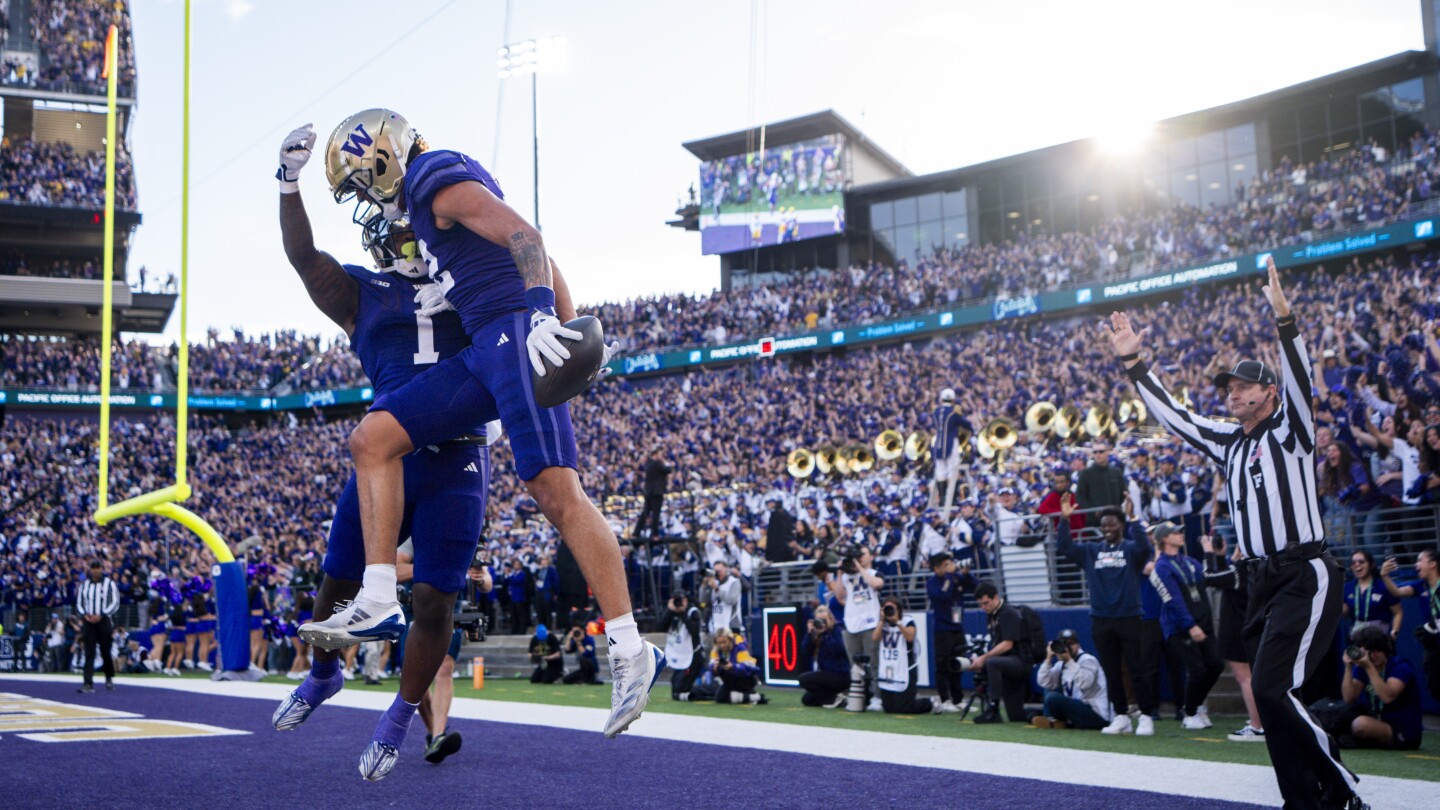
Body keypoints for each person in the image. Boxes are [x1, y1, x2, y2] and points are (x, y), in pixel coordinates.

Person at [310, 109, 659, 740]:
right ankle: (380, 593)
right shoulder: (421, 203)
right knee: (373, 439)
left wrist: (546, 317)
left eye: (362, 182)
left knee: (556, 492)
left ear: (382, 158)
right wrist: (571, 324)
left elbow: (527, 237)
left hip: (513, 335)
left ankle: (633, 649)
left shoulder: (430, 178)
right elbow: (532, 251)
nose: (365, 199)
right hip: (485, 349)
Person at [269, 125, 495, 782]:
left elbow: (495, 235)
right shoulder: (362, 293)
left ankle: (400, 720)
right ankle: (322, 674)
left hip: (457, 456)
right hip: (387, 460)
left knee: (434, 604)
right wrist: (288, 184)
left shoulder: (467, 276)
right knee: (336, 583)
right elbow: (304, 256)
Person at [1105, 256, 1364, 810]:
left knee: (1274, 689)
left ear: (1267, 393)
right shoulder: (1230, 440)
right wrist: (1134, 361)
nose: (1232, 393)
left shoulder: (1291, 428)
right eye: (1229, 388)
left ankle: (1341, 795)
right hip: (1260, 580)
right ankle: (1304, 801)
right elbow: (1176, 416)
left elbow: (1298, 379)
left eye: (1244, 387)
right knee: (1270, 702)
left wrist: (1285, 320)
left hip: (1305, 571)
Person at [1055, 500, 1155, 735]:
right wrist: (1065, 520)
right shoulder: (1091, 551)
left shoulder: (1130, 548)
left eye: (1112, 524)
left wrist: (1134, 520)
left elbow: (1145, 550)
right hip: (1101, 619)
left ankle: (1146, 716)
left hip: (1130, 617)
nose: (1107, 528)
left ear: (1120, 525)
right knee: (1111, 670)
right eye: (1103, 525)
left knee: (1137, 669)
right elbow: (1064, 547)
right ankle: (1120, 715)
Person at [1151, 522, 1223, 730]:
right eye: (1175, 532)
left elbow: (1209, 577)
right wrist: (1190, 625)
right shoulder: (1162, 566)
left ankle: (1195, 705)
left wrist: (1217, 555)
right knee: (1197, 669)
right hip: (1179, 626)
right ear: (1164, 538)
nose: (1181, 534)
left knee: (1216, 665)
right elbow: (1173, 599)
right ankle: (1190, 713)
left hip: (1201, 621)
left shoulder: (1188, 560)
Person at [1200, 531, 1266, 743]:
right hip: (1249, 626)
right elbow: (1223, 577)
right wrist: (1220, 556)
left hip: (1238, 628)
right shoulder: (1257, 568)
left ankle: (1257, 726)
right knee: (1250, 676)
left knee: (1244, 677)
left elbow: (1209, 577)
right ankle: (1259, 722)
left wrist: (1208, 553)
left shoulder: (1242, 571)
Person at [1338, 624, 1423, 751]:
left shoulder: (1400, 666)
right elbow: (1349, 698)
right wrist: (1349, 668)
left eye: (1377, 650)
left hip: (1404, 730)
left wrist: (1368, 667)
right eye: (1369, 652)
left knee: (1360, 724)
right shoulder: (1361, 668)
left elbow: (1387, 696)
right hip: (1379, 722)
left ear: (1385, 649)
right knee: (1339, 717)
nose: (1373, 656)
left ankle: (1365, 741)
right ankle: (1366, 740)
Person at [1378, 549, 1440, 703]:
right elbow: (1398, 592)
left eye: (1420, 560)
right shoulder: (1421, 585)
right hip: (1433, 642)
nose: (1416, 564)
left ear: (1432, 564)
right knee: (1435, 683)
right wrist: (1384, 575)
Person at [826, 547, 884, 711]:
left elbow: (877, 584)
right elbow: (839, 596)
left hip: (870, 622)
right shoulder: (845, 577)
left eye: (862, 555)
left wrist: (859, 567)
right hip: (852, 622)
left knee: (873, 661)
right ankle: (860, 695)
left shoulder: (873, 572)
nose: (858, 558)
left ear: (870, 557)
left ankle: (876, 696)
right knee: (855, 664)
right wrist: (839, 572)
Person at [968, 581, 1030, 724]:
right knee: (1016, 715)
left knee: (992, 662)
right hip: (1007, 662)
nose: (983, 607)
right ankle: (1040, 714)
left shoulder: (1007, 613)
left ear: (996, 597)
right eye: (981, 604)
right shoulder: (993, 614)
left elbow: (1008, 644)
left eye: (986, 603)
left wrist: (984, 657)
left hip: (1019, 661)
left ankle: (994, 709)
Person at [926, 551, 975, 713]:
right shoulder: (932, 582)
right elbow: (943, 595)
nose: (950, 567)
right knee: (943, 666)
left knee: (959, 664)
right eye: (945, 565)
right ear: (936, 568)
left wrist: (966, 574)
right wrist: (949, 576)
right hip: (942, 629)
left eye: (950, 563)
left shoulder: (956, 577)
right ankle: (945, 699)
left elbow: (976, 586)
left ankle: (958, 699)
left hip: (957, 627)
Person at [872, 597, 938, 715]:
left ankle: (930, 702)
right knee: (889, 708)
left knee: (904, 708)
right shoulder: (882, 624)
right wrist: (881, 621)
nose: (889, 611)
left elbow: (909, 637)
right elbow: (875, 638)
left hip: (905, 669)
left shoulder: (907, 621)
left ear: (899, 609)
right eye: (886, 608)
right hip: (888, 669)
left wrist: (898, 622)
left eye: (892, 608)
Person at [1034, 629, 1111, 730]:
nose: (1067, 648)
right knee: (1049, 686)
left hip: (1096, 714)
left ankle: (1053, 719)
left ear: (1078, 645)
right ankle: (1051, 719)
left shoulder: (1088, 660)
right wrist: (1048, 659)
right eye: (1064, 644)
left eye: (1071, 644)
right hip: (1076, 709)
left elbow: (1085, 683)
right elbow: (1043, 682)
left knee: (1053, 697)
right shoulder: (1061, 664)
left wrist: (1069, 661)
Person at [74, 560, 119, 693]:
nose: (95, 570)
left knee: (106, 651)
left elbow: (115, 602)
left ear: (101, 569)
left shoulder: (109, 583)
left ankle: (109, 677)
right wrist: (85, 615)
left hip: (104, 621)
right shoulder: (85, 585)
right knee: (89, 652)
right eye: (93, 568)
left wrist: (103, 614)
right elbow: (79, 603)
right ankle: (88, 683)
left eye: (97, 568)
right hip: (89, 622)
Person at [931, 388, 973, 520]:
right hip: (951, 443)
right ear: (953, 399)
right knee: (952, 470)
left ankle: (943, 499)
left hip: (937, 444)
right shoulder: (955, 411)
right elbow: (966, 424)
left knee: (941, 472)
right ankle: (952, 498)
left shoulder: (936, 411)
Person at [798, 606, 849, 708]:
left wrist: (826, 633)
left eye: (824, 620)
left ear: (830, 618)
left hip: (840, 674)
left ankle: (833, 699)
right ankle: (838, 698)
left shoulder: (837, 629)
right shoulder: (816, 634)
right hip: (826, 675)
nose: (821, 623)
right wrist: (810, 634)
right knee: (807, 700)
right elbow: (805, 652)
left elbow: (839, 650)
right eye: (819, 620)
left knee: (803, 679)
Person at [1343, 551, 1401, 637]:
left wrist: (1394, 633)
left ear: (1371, 565)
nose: (1357, 565)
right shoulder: (1348, 587)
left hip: (1380, 637)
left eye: (1361, 562)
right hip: (1357, 637)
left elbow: (1398, 612)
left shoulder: (1383, 586)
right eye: (1353, 562)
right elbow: (1345, 612)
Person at [660, 593, 705, 700]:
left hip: (693, 656)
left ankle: (711, 692)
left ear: (686, 600)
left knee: (680, 689)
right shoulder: (672, 612)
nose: (679, 603)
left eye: (682, 600)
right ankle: (692, 694)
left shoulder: (692, 612)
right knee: (676, 689)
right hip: (680, 656)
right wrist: (669, 611)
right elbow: (660, 628)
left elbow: (694, 631)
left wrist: (683, 613)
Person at [709, 628, 766, 705]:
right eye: (719, 643)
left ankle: (756, 697)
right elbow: (711, 666)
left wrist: (733, 666)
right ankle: (753, 697)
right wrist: (715, 668)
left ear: (730, 640)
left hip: (746, 679)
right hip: (730, 680)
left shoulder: (740, 647)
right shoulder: (716, 650)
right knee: (720, 698)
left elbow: (750, 668)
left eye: (724, 642)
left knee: (728, 674)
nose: (722, 645)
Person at [1076, 440, 1125, 527]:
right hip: (1094, 521)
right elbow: (1080, 497)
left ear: (1107, 452)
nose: (1098, 454)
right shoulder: (1086, 473)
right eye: (1095, 452)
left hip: (1116, 519)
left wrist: (1115, 507)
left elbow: (1123, 493)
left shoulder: (1116, 472)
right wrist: (1093, 511)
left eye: (1101, 451)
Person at [637, 449, 671, 539]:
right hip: (656, 492)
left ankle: (636, 531)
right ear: (655, 454)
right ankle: (655, 534)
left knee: (646, 512)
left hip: (649, 492)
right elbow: (668, 469)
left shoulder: (648, 464)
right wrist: (665, 462)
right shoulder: (656, 463)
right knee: (656, 513)